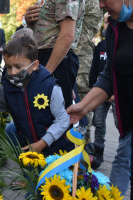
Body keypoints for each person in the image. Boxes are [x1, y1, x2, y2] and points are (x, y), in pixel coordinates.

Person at [67, 0, 133, 196]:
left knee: (122, 159)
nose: (101, 5)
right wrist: (83, 106)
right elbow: (109, 76)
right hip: (128, 119)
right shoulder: (114, 29)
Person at [25, 0, 84, 109]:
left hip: (55, 60)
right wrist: (30, 22)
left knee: (55, 119)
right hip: (47, 59)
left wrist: (44, 75)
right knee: (38, 116)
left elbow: (67, 36)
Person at [88, 12, 118, 170]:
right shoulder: (100, 46)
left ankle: (123, 155)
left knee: (120, 124)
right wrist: (93, 85)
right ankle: (98, 153)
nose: (107, 26)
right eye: (105, 23)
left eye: (110, 22)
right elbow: (94, 69)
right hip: (101, 92)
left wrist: (113, 93)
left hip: (118, 93)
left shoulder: (121, 43)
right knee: (98, 122)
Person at [74, 0, 103, 134]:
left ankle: (83, 142)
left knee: (82, 97)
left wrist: (67, 48)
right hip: (60, 54)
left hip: (80, 56)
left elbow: (91, 25)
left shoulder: (91, 2)